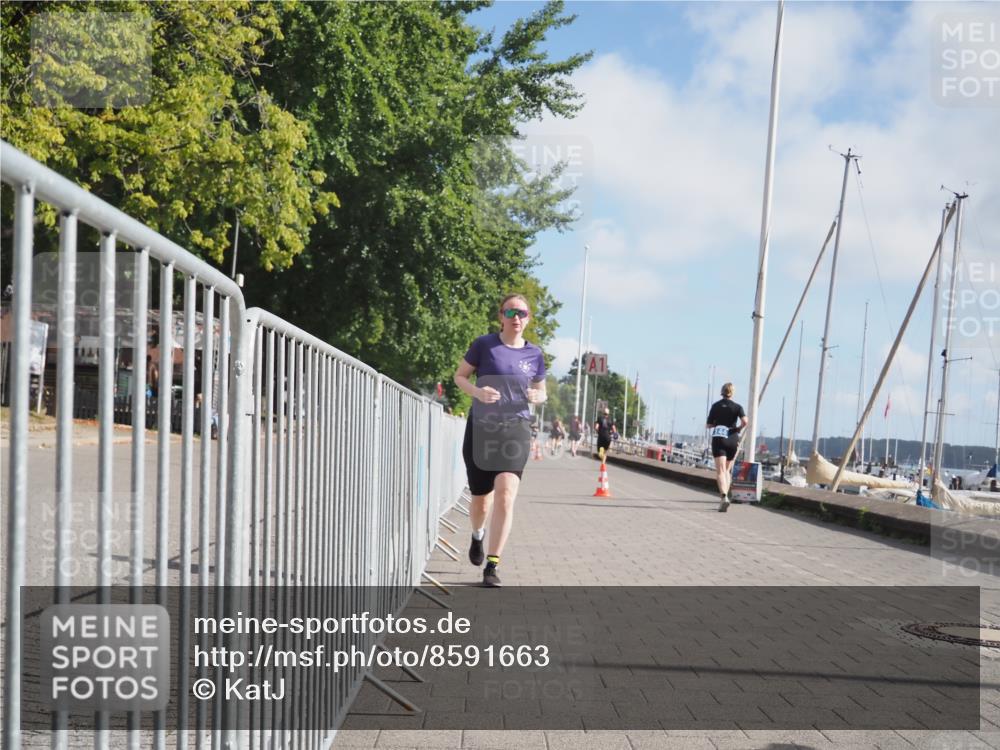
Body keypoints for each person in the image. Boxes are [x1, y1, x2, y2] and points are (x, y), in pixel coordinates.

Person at [454, 293, 546, 587]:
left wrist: (537, 396)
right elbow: (460, 377)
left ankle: (492, 566)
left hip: (516, 427)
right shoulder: (484, 345)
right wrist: (478, 392)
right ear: (501, 317)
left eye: (522, 313)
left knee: (506, 493)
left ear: (529, 318)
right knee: (481, 500)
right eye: (510, 313)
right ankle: (477, 535)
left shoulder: (535, 355)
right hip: (482, 428)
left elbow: (542, 391)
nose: (516, 318)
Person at [706, 382, 747, 513]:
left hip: (719, 438)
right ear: (732, 392)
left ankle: (723, 497)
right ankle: (726, 497)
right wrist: (738, 428)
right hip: (733, 437)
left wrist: (717, 424)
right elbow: (745, 421)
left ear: (722, 391)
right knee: (727, 471)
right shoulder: (737, 407)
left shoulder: (716, 406)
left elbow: (708, 425)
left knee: (720, 471)